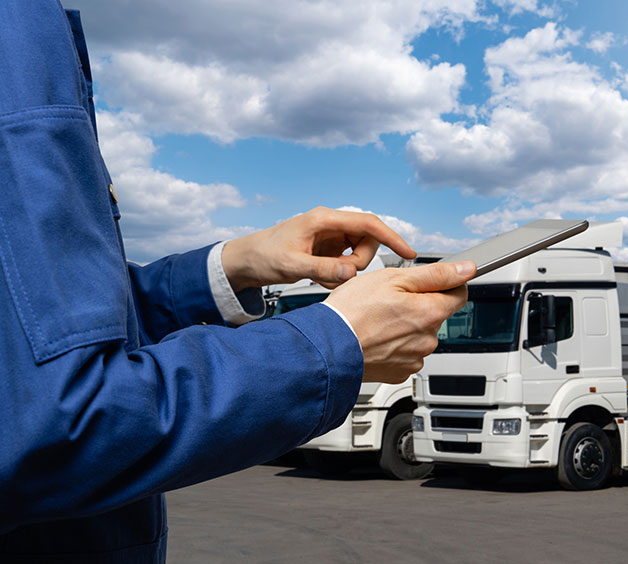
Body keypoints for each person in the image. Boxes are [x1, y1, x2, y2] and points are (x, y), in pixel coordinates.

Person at [0, 2, 475, 562]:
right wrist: (335, 341)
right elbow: (60, 428)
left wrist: (230, 268)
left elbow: (33, 341)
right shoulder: (17, 30)